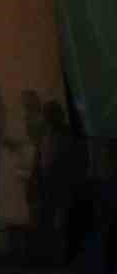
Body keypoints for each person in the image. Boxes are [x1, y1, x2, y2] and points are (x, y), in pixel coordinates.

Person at [28, 100, 88, 263]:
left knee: (61, 220)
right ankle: (47, 254)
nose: (47, 118)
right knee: (47, 219)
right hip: (50, 181)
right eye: (47, 115)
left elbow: (78, 159)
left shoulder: (68, 134)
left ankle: (61, 255)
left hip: (63, 182)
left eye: (50, 114)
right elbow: (39, 157)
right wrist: (35, 177)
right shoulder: (46, 134)